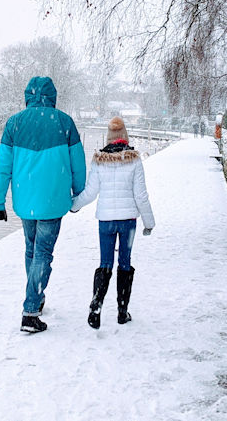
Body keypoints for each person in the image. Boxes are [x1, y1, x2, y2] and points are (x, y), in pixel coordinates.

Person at [0, 76, 86, 334]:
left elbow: (3, 167)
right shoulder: (65, 123)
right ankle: (31, 310)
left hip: (25, 201)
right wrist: (77, 196)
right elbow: (79, 165)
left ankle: (37, 296)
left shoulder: (14, 123)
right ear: (52, 97)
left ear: (28, 96)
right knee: (43, 252)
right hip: (54, 201)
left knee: (32, 251)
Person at [71, 116, 155, 329]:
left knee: (105, 263)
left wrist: (73, 205)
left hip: (106, 221)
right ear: (125, 136)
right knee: (124, 263)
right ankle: (122, 311)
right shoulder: (134, 159)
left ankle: (97, 304)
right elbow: (141, 196)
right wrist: (149, 222)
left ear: (109, 138)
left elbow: (90, 192)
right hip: (128, 222)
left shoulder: (99, 160)